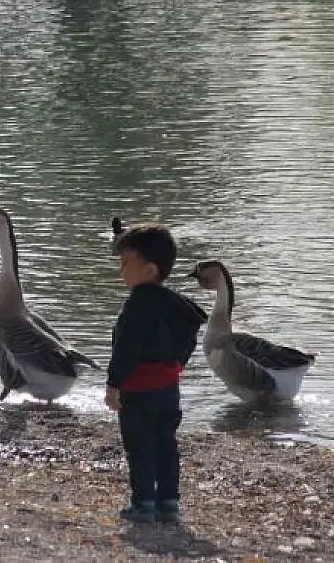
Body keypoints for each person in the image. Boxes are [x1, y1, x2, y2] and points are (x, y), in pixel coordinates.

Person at [104, 223, 207, 523]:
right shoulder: (175, 304)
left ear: (149, 270)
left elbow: (126, 349)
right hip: (168, 388)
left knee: (140, 446)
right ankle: (169, 501)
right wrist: (178, 364)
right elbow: (189, 335)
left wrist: (113, 385)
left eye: (125, 263)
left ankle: (144, 503)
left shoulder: (136, 306)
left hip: (138, 390)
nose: (120, 270)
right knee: (166, 444)